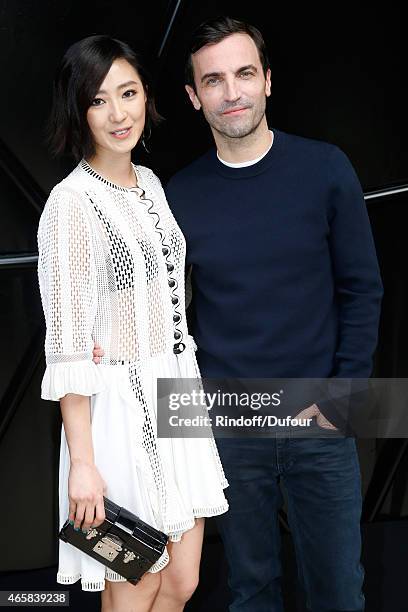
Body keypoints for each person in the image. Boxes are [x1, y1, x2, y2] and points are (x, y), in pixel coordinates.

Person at [162, 16, 384, 612]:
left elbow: (362, 288)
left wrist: (345, 395)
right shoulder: (176, 197)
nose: (230, 91)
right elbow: (169, 314)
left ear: (267, 81)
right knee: (250, 590)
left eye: (243, 74)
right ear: (193, 97)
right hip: (228, 424)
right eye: (213, 80)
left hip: (320, 417)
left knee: (339, 591)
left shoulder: (325, 168)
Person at [37, 35, 228, 612]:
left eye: (129, 93)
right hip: (117, 412)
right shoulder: (69, 205)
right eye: (99, 100)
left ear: (146, 96)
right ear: (78, 111)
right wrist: (84, 465)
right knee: (135, 587)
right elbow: (68, 347)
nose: (118, 113)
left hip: (177, 393)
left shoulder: (149, 184)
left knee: (182, 581)